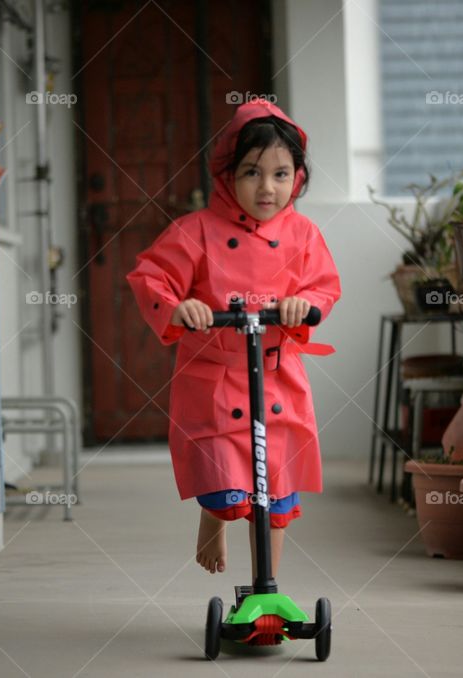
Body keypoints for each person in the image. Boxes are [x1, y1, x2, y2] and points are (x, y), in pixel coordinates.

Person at [126, 100, 341, 578]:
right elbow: (151, 275)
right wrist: (181, 307)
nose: (267, 187)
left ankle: (268, 584)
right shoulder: (197, 230)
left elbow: (324, 285)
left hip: (279, 378)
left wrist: (302, 304)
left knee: (277, 490)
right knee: (226, 482)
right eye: (252, 172)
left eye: (281, 174)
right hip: (217, 379)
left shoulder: (303, 234)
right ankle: (213, 519)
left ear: (297, 179)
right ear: (228, 174)